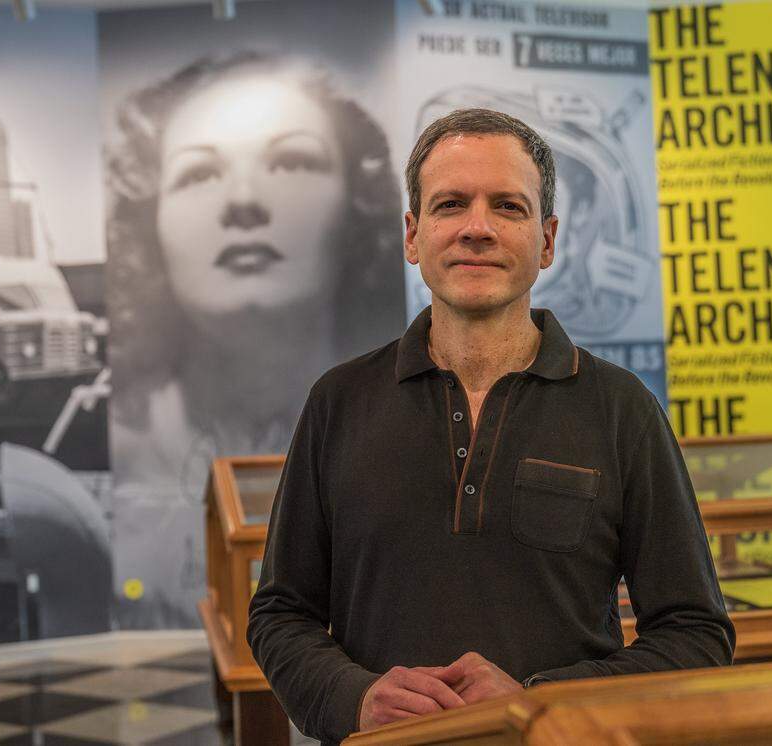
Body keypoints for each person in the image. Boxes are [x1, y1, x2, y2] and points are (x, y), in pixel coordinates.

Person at [248, 108, 734, 744]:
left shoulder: (623, 410)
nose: (477, 228)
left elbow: (695, 633)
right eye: (451, 204)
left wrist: (539, 702)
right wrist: (355, 699)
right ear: (413, 235)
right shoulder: (337, 402)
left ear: (547, 240)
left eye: (507, 206)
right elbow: (280, 613)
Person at [105, 51, 405, 627]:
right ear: (151, 222)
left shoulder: (417, 432)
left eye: (291, 163)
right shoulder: (119, 453)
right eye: (198, 174)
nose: (243, 201)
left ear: (356, 204)